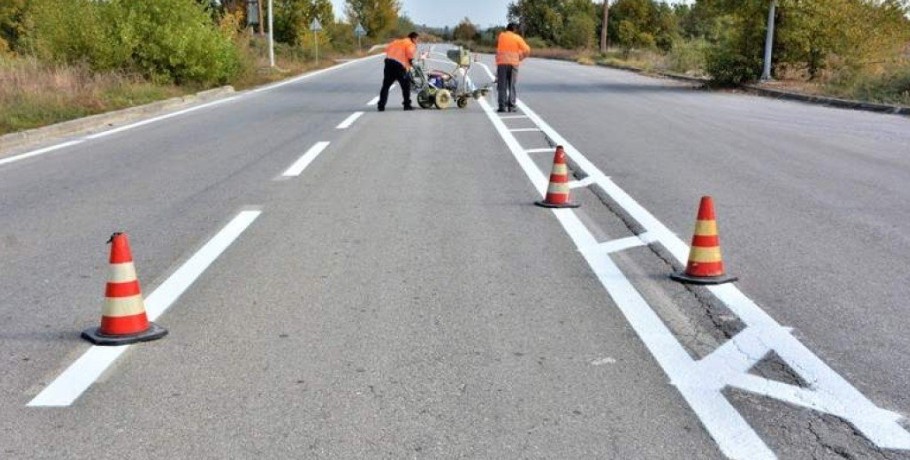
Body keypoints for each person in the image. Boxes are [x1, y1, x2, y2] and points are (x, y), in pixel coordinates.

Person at [378, 32, 419, 112]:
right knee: (406, 86)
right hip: (399, 67)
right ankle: (407, 105)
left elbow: (386, 49)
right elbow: (410, 55)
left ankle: (381, 106)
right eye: (417, 40)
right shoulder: (410, 44)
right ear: (413, 38)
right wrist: (412, 63)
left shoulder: (396, 41)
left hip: (388, 64)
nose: (417, 41)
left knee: (385, 86)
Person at [496, 23, 531, 113]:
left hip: (502, 63)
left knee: (502, 86)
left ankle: (502, 107)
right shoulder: (517, 38)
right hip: (513, 64)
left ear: (507, 29)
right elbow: (527, 50)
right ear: (514, 30)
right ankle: (511, 106)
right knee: (511, 85)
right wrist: (521, 57)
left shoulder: (501, 36)